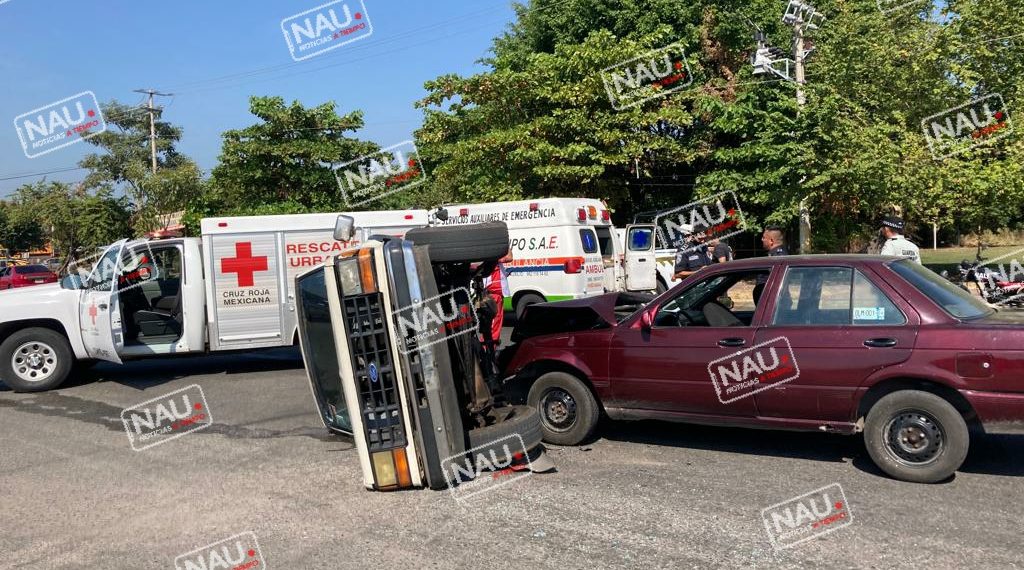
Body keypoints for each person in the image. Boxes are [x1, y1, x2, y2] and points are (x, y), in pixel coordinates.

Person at [753, 226, 789, 304]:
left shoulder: (777, 258)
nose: (761, 239)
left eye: (763, 237)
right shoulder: (775, 255)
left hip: (773, 304)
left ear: (771, 241)